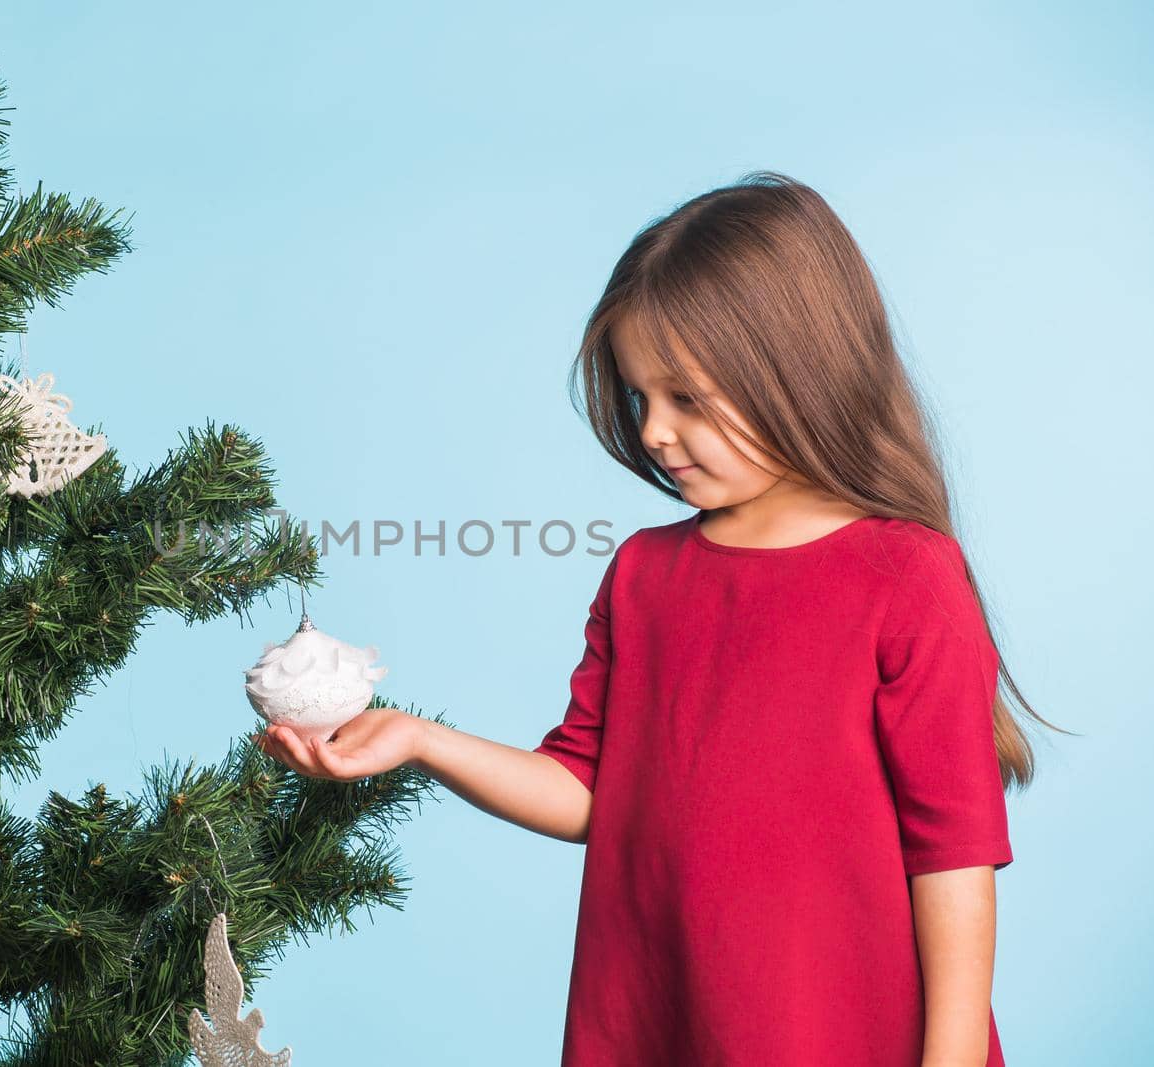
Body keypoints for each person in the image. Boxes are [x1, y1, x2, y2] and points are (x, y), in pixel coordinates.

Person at [253, 171, 1060, 1066]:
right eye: (640, 399)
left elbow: (953, 858)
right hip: (664, 1028)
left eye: (686, 399)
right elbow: (587, 792)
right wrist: (416, 739)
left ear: (795, 369)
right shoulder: (644, 575)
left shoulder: (904, 574)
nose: (652, 433)